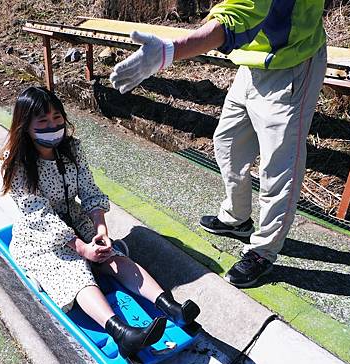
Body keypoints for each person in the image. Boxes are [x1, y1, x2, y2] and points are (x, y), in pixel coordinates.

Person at [110, 0, 327, 288]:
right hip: (252, 62)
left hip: (292, 63)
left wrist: (170, 51)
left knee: (279, 166)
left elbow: (237, 18)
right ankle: (237, 218)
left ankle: (263, 251)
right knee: (227, 141)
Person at [0, 87, 200, 363]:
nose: (53, 126)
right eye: (43, 122)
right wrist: (81, 248)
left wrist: (101, 231)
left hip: (75, 219)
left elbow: (90, 191)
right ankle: (122, 333)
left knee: (112, 257)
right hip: (40, 235)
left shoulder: (71, 149)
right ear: (25, 125)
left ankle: (171, 307)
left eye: (57, 117)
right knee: (73, 271)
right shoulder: (17, 162)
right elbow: (39, 214)